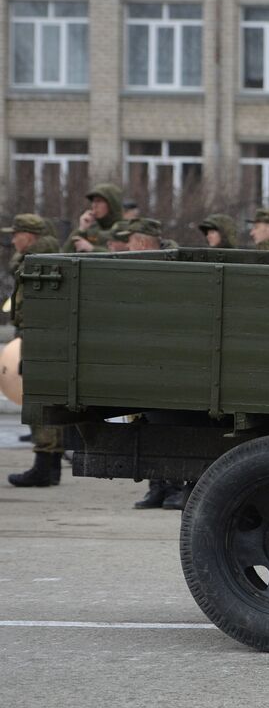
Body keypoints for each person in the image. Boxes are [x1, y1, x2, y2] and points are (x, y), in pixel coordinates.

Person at [4, 214, 64, 487]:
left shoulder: (36, 259)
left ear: (30, 236)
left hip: (38, 337)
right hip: (37, 334)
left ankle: (45, 465)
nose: (13, 239)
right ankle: (48, 467)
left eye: (17, 234)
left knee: (39, 402)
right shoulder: (40, 258)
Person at [61, 183, 124, 252]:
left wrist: (92, 249)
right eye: (93, 201)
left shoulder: (125, 229)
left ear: (112, 204)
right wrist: (81, 229)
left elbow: (123, 259)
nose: (94, 205)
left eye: (99, 201)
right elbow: (64, 256)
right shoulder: (90, 228)